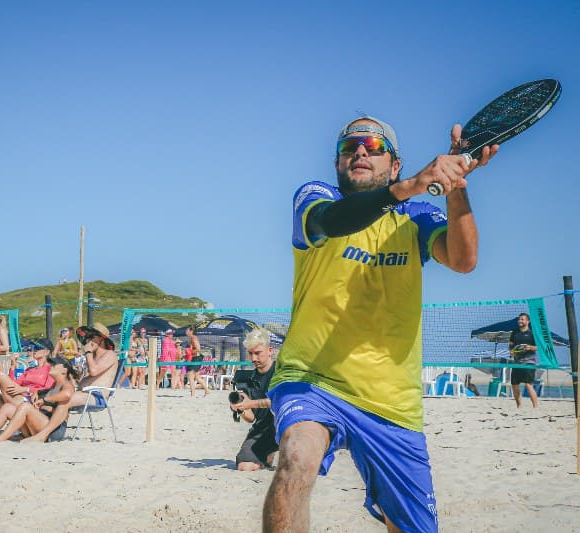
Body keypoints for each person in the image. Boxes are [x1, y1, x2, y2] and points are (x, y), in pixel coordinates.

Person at [263, 116, 498, 532]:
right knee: (297, 456)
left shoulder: (417, 215)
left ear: (395, 163)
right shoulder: (315, 198)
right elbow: (335, 222)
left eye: (373, 145)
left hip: (391, 401)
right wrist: (412, 184)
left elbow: (463, 260)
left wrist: (456, 186)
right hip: (311, 379)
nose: (360, 152)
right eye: (350, 146)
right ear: (337, 162)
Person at [24, 322, 118, 442]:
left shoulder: (110, 355)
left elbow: (94, 371)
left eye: (91, 337)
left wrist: (88, 352)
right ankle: (44, 431)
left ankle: (43, 434)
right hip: (85, 392)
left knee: (65, 400)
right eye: (87, 337)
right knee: (51, 396)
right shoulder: (94, 357)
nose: (88, 340)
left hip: (97, 395)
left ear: (100, 339)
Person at [0, 355, 79, 443]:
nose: (51, 365)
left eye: (55, 364)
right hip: (38, 424)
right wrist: (37, 393)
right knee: (8, 407)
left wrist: (44, 400)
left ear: (64, 370)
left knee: (26, 406)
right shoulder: (53, 385)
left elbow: (67, 395)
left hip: (52, 431)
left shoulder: (66, 384)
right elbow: (42, 392)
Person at [230, 328, 277, 471]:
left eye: (257, 353)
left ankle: (270, 451)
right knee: (244, 466)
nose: (253, 358)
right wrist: (241, 408)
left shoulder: (282, 373)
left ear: (270, 350)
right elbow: (251, 418)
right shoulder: (248, 379)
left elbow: (280, 402)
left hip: (289, 426)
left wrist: (251, 403)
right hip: (263, 428)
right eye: (250, 353)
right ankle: (268, 452)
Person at [509, 313, 539, 408]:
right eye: (519, 319)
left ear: (528, 321)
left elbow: (538, 348)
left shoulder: (532, 333)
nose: (520, 321)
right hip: (517, 363)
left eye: (522, 319)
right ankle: (519, 406)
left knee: (528, 385)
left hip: (529, 362)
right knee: (514, 385)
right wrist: (512, 351)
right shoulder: (514, 333)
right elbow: (511, 346)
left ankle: (535, 406)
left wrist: (530, 347)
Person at [185, 327, 210, 397]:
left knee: (190, 375)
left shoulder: (193, 338)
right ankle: (207, 390)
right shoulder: (192, 338)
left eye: (187, 330)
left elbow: (198, 349)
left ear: (191, 331)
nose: (185, 331)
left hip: (197, 358)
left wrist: (190, 352)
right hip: (196, 358)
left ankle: (193, 395)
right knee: (197, 377)